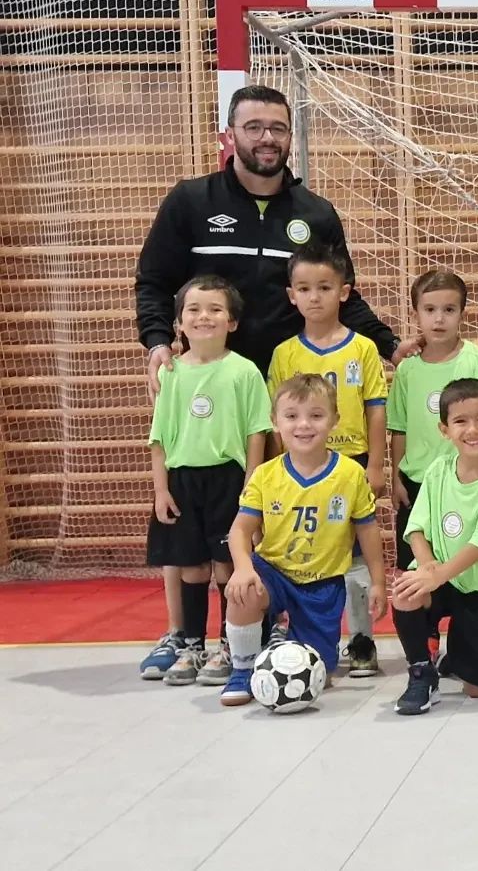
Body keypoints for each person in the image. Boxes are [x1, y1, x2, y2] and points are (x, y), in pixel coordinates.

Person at [133, 84, 403, 680]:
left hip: (286, 399)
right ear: (230, 134)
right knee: (190, 514)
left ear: (290, 136)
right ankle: (183, 636)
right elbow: (153, 283)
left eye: (277, 128)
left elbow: (344, 294)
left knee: (263, 513)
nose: (266, 138)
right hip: (211, 387)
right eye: (253, 127)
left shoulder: (315, 214)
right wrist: (158, 343)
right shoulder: (190, 201)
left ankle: (252, 625)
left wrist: (389, 345)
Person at [218, 374, 386, 706]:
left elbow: (368, 531)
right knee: (244, 589)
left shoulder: (351, 474)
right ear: (275, 422)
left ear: (335, 419)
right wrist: (242, 568)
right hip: (274, 571)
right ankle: (243, 668)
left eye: (316, 415)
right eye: (292, 416)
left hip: (323, 582)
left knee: (321, 671)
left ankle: (282, 639)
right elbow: (239, 530)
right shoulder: (265, 475)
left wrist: (379, 582)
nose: (304, 425)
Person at [267, 243, 388, 677]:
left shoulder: (363, 349)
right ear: (291, 295)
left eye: (324, 287)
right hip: (300, 467)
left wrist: (376, 464)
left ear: (344, 292)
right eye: (304, 288)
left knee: (355, 555)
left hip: (351, 461)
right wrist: (281, 469)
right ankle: (307, 633)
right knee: (310, 552)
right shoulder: (285, 354)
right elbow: (277, 420)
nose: (314, 296)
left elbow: (376, 409)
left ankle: (362, 640)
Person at [145, 276, 270, 685]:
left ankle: (229, 645)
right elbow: (159, 438)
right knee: (191, 567)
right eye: (194, 310)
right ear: (178, 323)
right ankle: (191, 646)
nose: (204, 317)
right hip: (182, 481)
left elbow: (256, 433)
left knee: (226, 564)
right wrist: (161, 489)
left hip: (228, 480)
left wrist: (251, 485)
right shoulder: (171, 373)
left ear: (232, 322)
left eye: (216, 309)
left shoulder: (244, 371)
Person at [391, 379, 478, 714]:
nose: (472, 429)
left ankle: (460, 656)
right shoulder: (438, 470)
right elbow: (416, 527)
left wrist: (439, 574)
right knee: (405, 591)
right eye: (460, 421)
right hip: (441, 578)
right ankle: (421, 671)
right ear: (444, 429)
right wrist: (427, 567)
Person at [390, 269, 478, 572]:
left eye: (448, 310)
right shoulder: (407, 370)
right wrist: (396, 477)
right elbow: (399, 428)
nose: (439, 319)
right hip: (417, 483)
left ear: (462, 314)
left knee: (464, 570)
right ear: (415, 314)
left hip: (470, 484)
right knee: (415, 575)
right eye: (430, 310)